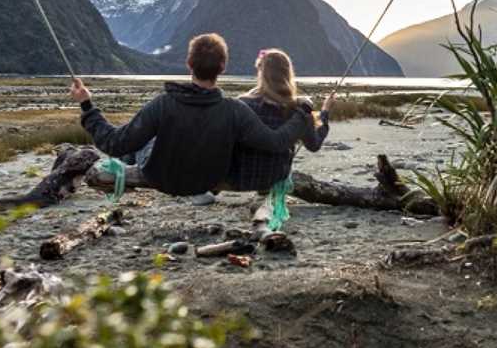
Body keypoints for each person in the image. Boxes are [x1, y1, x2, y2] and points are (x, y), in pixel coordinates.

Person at [70, 33, 312, 197]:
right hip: (207, 181)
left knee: (135, 143)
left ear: (189, 64)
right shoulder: (235, 110)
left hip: (161, 178)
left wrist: (87, 106)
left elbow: (113, 142)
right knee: (144, 139)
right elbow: (275, 142)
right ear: (222, 67)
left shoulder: (163, 104)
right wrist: (302, 112)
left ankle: (123, 166)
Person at [224, 49, 335, 237]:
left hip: (242, 176)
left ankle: (262, 208)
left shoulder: (242, 104)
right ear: (287, 73)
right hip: (275, 175)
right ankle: (264, 211)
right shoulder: (298, 109)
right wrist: (324, 113)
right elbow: (314, 144)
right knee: (276, 176)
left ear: (261, 73)